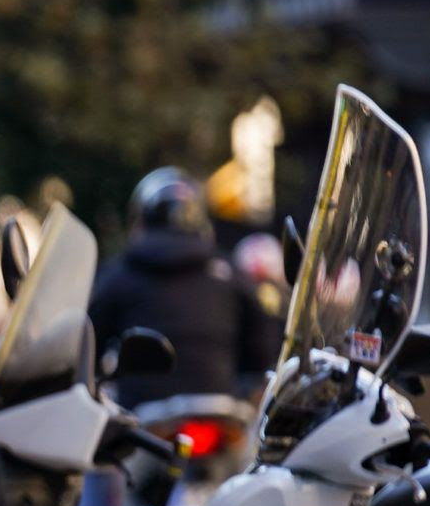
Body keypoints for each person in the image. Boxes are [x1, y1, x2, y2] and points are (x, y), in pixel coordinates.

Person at [89, 167, 284, 409]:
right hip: (219, 412)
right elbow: (262, 345)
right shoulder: (228, 271)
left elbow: (90, 341)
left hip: (140, 417)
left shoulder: (119, 273)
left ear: (142, 219)